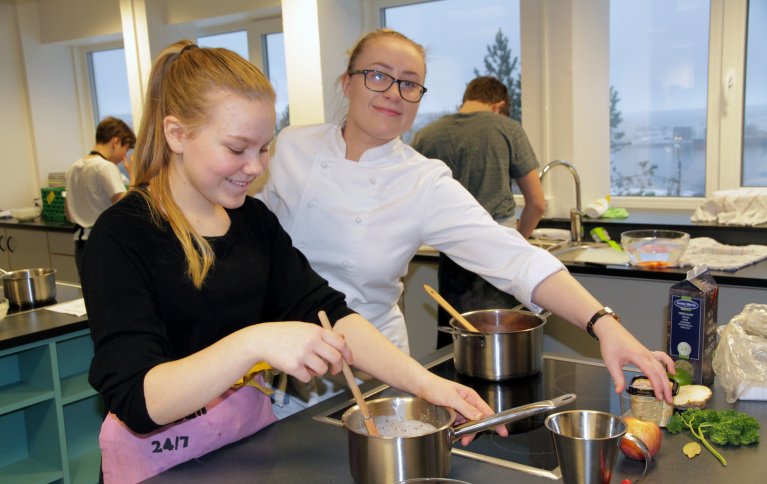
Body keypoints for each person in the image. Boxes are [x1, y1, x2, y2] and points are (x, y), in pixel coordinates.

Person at [81, 40, 503, 483]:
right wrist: (254, 342)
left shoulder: (251, 221)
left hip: (247, 445)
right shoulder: (122, 235)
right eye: (237, 148)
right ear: (177, 134)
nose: (254, 168)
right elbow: (141, 401)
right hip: (161, 463)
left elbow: (330, 312)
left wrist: (429, 386)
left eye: (263, 149)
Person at [257, 28, 674, 404]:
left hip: (369, 368)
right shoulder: (290, 146)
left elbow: (514, 257)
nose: (393, 93)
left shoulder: (423, 181)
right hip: (274, 358)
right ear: (347, 83)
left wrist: (605, 325)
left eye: (410, 84)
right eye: (378, 75)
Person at [411, 76, 546, 346]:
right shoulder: (508, 128)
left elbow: (410, 198)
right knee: (501, 345)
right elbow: (537, 203)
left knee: (456, 342)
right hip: (499, 253)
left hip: (452, 253)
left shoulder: (427, 135)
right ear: (499, 105)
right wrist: (519, 241)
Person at [65, 116, 135, 276]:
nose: (125, 155)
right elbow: (126, 208)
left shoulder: (73, 168)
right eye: (126, 148)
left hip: (80, 244)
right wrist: (133, 175)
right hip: (103, 243)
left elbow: (69, 213)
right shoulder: (105, 167)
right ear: (116, 142)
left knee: (91, 294)